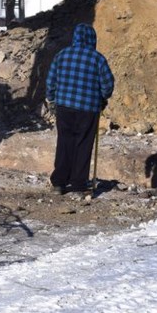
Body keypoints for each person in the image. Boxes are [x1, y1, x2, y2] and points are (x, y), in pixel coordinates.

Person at [45, 22, 114, 195]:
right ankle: (78, 184)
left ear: (75, 37)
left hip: (64, 107)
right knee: (83, 144)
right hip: (88, 109)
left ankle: (59, 183)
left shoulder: (62, 55)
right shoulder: (98, 58)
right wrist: (103, 97)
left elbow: (50, 80)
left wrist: (52, 98)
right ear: (92, 39)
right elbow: (107, 84)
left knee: (64, 142)